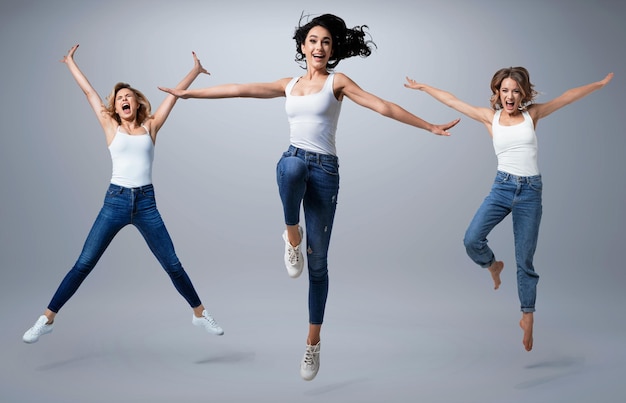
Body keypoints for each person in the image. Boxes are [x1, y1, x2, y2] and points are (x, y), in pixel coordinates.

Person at [159, 13, 459, 380]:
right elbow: (240, 88)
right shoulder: (289, 84)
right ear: (303, 46)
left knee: (318, 266)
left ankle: (312, 343)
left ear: (332, 50)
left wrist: (429, 125)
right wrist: (189, 94)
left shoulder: (338, 82)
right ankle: (291, 235)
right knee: (291, 167)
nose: (319, 47)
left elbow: (382, 105)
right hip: (296, 161)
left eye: (326, 42)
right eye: (313, 41)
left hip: (326, 172)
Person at [22, 44, 224, 344]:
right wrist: (71, 64)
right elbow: (90, 93)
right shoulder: (109, 126)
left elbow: (172, 98)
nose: (125, 100)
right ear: (114, 107)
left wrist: (194, 72)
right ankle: (46, 319)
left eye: (129, 96)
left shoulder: (150, 126)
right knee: (84, 263)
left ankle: (199, 313)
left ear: (137, 103)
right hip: (115, 201)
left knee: (172, 264)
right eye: (120, 98)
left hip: (146, 204)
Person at [405, 68, 613, 352]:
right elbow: (453, 101)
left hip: (530, 192)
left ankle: (527, 316)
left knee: (525, 259)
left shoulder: (533, 115)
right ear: (497, 93)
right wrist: (425, 88)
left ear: (523, 94)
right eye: (504, 91)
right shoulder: (490, 118)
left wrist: (598, 85)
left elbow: (567, 98)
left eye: (515, 91)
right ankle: (493, 265)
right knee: (471, 239)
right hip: (502, 188)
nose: (510, 96)